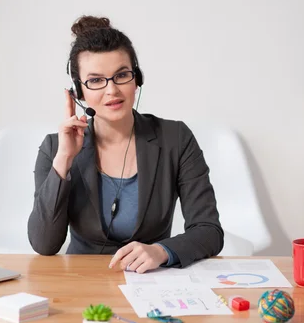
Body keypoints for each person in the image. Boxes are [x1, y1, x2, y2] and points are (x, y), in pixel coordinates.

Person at [28, 16, 224, 272]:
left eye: (121, 75)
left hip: (152, 279)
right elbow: (44, 244)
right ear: (78, 92)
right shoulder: (55, 148)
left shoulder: (176, 138)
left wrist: (162, 251)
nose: (112, 90)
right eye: (96, 80)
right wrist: (64, 159)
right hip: (81, 280)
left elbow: (209, 230)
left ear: (137, 79)